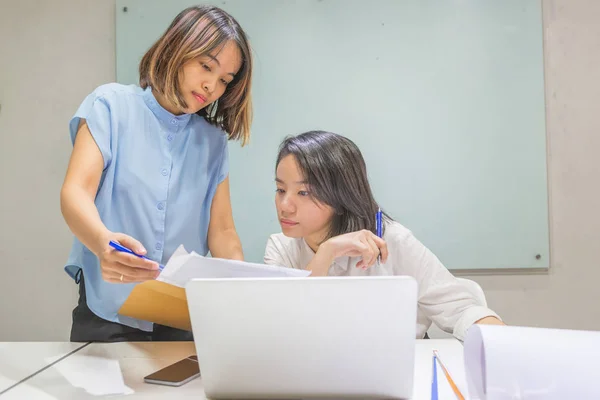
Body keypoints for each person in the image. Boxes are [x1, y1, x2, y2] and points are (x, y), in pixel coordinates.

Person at [60, 5, 253, 342]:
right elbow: (75, 193)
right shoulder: (110, 106)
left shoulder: (213, 141)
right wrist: (103, 244)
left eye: (225, 80)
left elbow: (222, 231)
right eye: (206, 66)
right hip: (109, 311)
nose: (211, 86)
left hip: (180, 315)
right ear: (176, 50)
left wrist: (244, 288)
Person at [264, 131, 504, 341]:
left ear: (339, 196)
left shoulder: (390, 238)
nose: (285, 205)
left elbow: (460, 308)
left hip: (398, 367)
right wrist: (327, 253)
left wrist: (507, 343)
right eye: (281, 189)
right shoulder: (281, 247)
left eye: (303, 192)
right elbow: (283, 326)